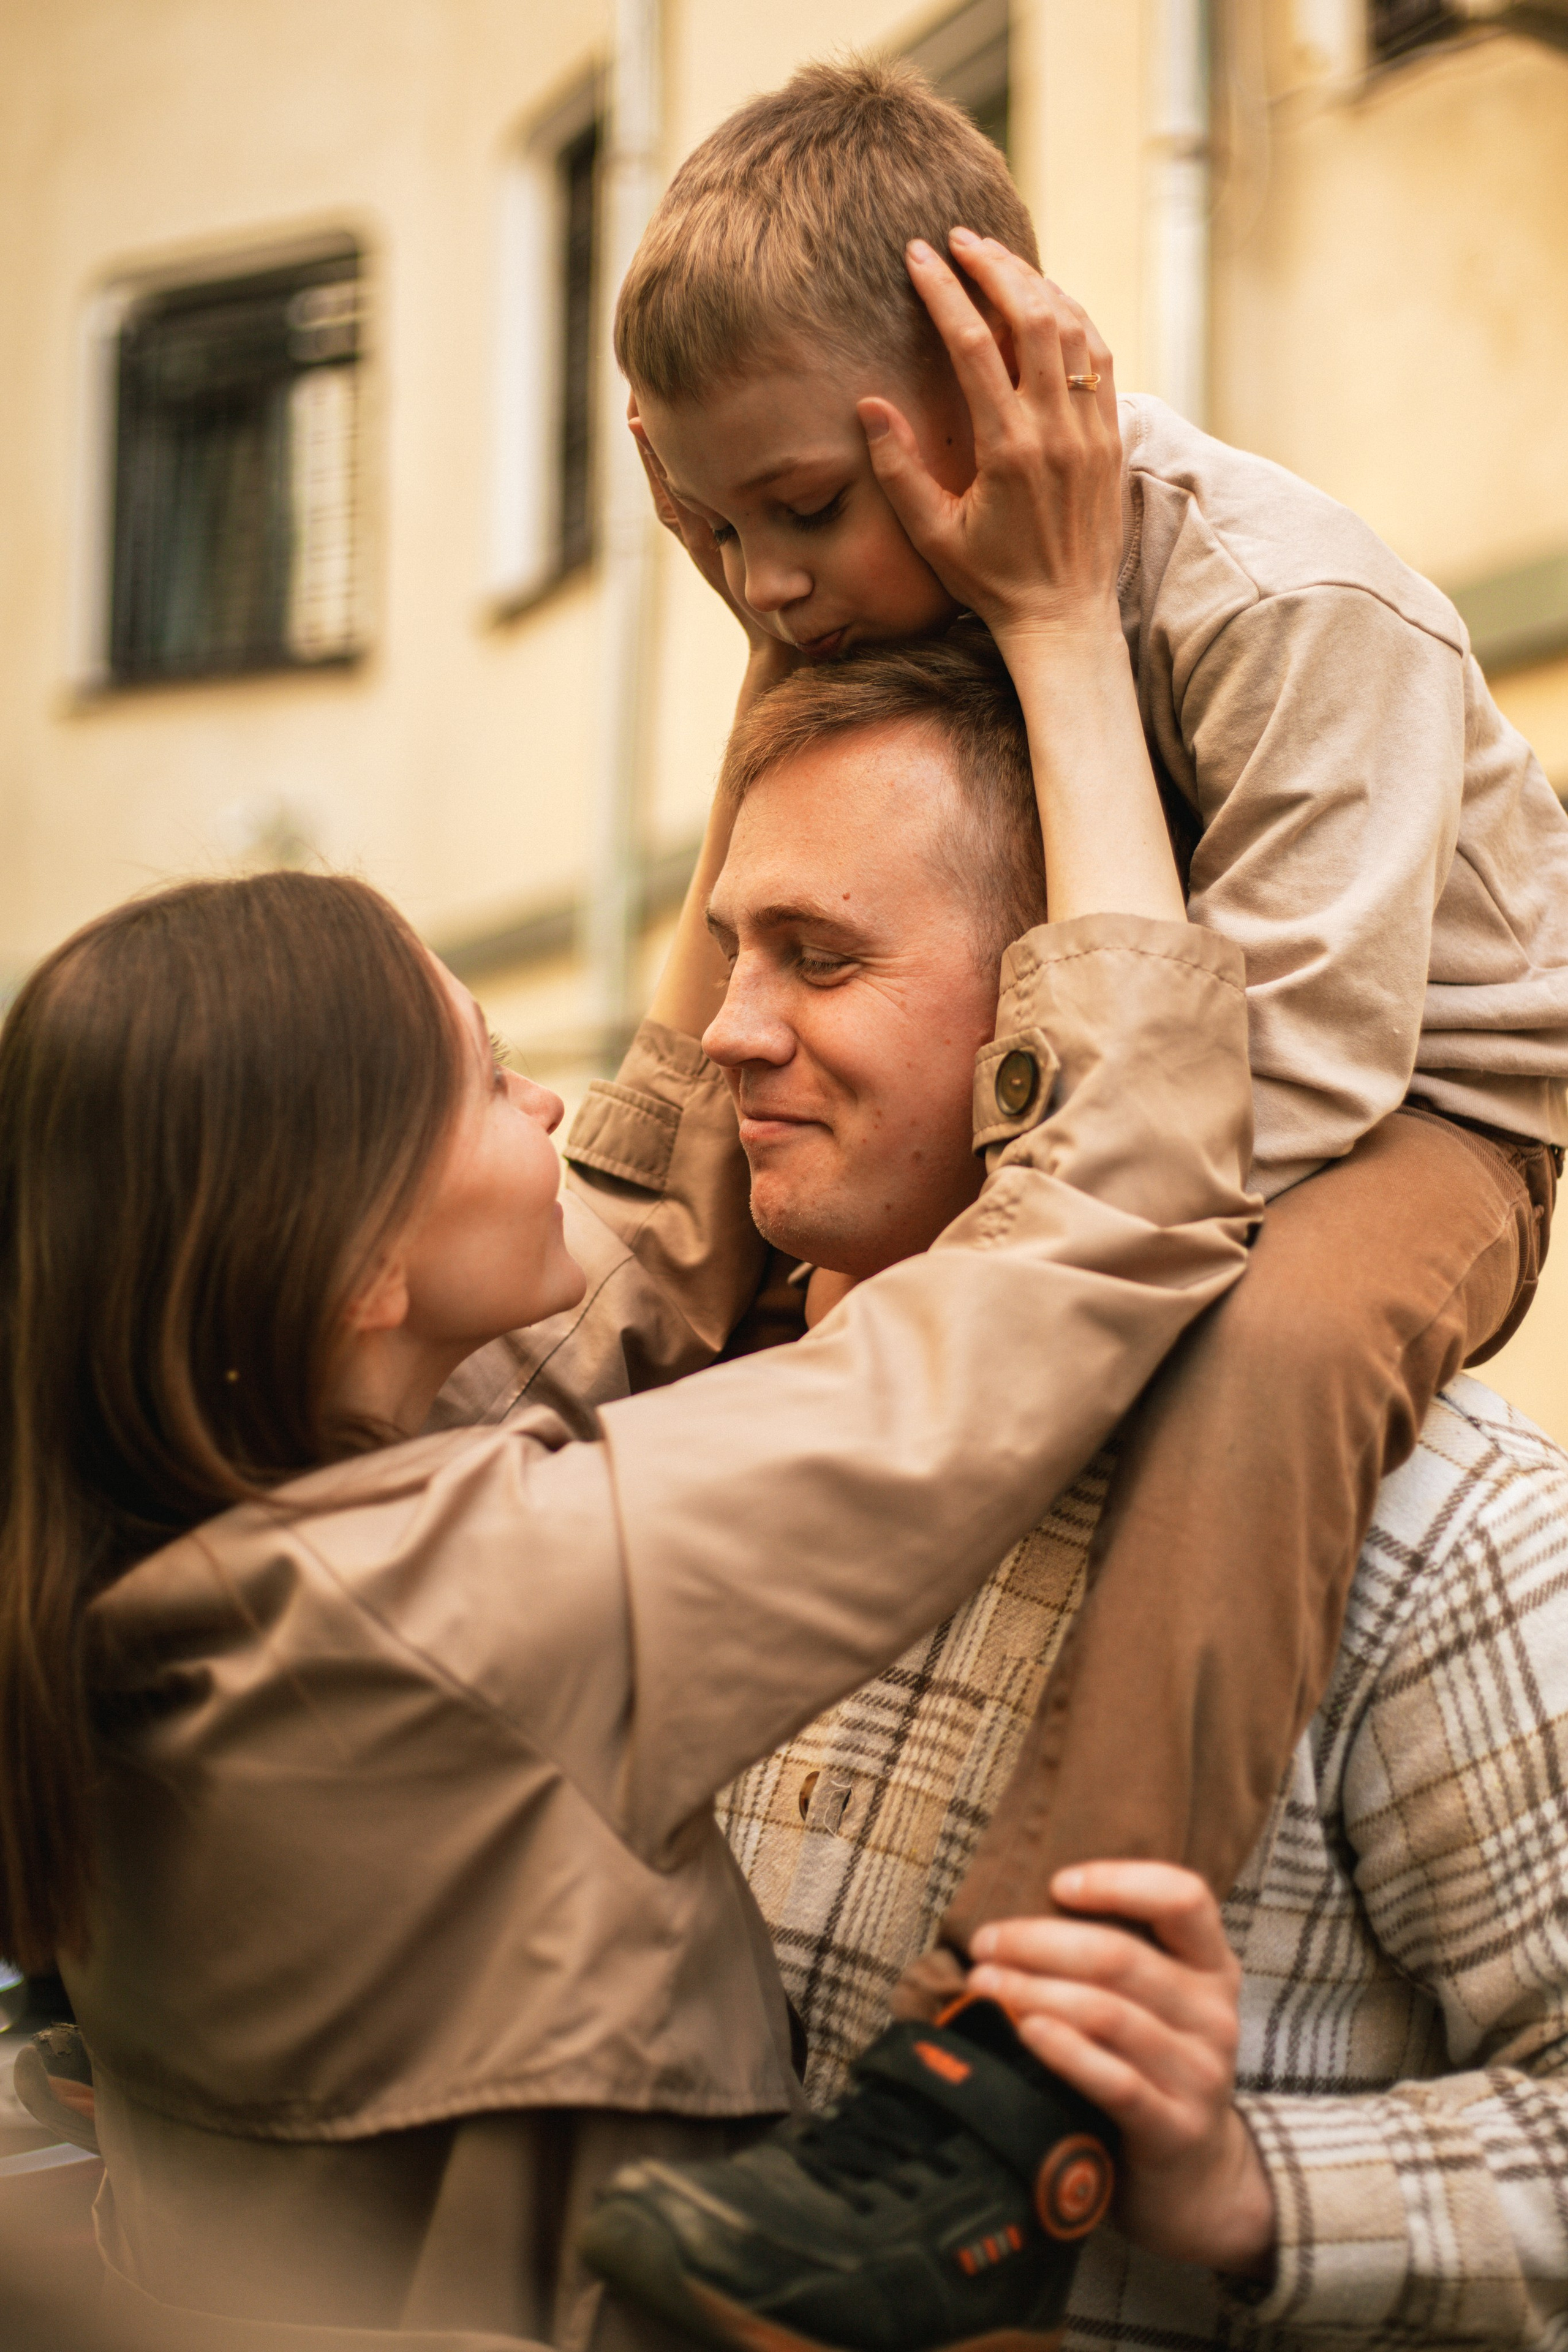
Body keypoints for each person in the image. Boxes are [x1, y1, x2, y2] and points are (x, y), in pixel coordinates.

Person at [0, 364, 1253, 2347]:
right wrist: (1067, 637)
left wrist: (778, 662)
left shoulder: (202, 1542)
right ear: (348, 1276)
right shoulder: (459, 1608)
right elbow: (1102, 1225)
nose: (580, 1105)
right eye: (495, 1086)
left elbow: (648, 1241)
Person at [602, 44, 1568, 2258]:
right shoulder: (872, 581)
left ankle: (1006, 2069)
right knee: (717, 1259)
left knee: (1264, 1348)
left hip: (1417, 1100)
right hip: (1142, 1109)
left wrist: (985, 1310)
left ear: (981, 383)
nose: (762, 583)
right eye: (715, 526)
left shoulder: (1290, 604)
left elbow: (1271, 1124)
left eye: (799, 515)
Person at [579, 635, 1568, 2352]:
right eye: (736, 949)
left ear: (1075, 1000)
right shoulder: (679, 1447)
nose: (733, 1033)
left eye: (820, 959)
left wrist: (1243, 2180)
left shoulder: (1432, 1531)